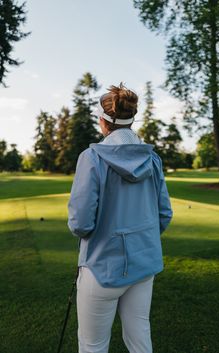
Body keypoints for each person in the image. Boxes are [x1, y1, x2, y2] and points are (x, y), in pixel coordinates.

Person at [67, 82, 173, 353]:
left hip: (101, 268)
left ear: (104, 122)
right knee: (140, 340)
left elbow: (81, 223)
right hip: (144, 264)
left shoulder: (91, 158)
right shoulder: (152, 159)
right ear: (130, 119)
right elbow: (164, 214)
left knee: (93, 346)